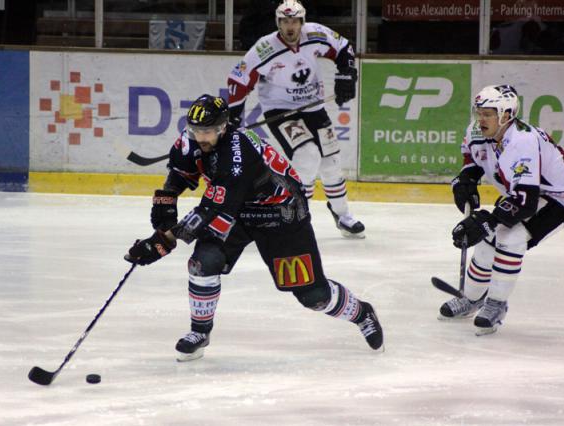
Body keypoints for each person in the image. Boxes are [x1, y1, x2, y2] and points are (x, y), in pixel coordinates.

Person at [125, 94, 383, 361]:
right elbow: (179, 175)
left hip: (280, 214)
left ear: (223, 127)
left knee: (313, 295)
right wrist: (164, 216)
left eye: (208, 131)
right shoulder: (189, 141)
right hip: (237, 210)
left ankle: (362, 313)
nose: (201, 137)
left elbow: (211, 211)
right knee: (203, 263)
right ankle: (200, 332)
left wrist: (162, 242)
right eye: (196, 130)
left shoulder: (238, 153)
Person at [440, 84, 564, 335]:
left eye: (488, 113)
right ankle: (472, 298)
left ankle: (496, 304)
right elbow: (474, 162)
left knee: (511, 238)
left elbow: (525, 203)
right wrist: (465, 182)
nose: (481, 119)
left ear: (506, 115)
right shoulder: (477, 131)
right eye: (479, 112)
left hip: (559, 198)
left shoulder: (522, 141)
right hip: (525, 192)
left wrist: (487, 219)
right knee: (487, 239)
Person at [226, 0, 365, 238]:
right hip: (281, 111)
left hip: (314, 107)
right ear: (278, 22)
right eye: (285, 21)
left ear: (302, 21)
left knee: (330, 160)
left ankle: (342, 214)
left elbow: (344, 48)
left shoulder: (316, 33)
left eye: (294, 21)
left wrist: (347, 74)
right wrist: (234, 117)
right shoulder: (265, 48)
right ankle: (298, 212)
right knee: (307, 154)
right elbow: (238, 79)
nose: (290, 27)